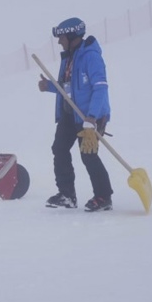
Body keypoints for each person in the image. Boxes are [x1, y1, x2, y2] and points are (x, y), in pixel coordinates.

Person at [38, 17, 114, 211]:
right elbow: (68, 88)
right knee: (59, 149)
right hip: (70, 115)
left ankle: (103, 197)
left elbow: (100, 87)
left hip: (89, 116)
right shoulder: (69, 57)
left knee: (88, 155)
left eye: (61, 37)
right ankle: (67, 195)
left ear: (72, 36)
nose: (59, 42)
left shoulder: (91, 56)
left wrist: (92, 117)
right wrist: (50, 86)